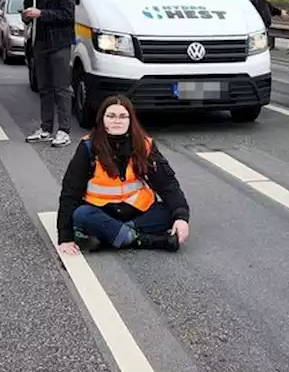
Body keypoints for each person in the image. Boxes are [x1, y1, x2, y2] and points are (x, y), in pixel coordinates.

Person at [56, 95, 189, 254]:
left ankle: (115, 236)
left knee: (170, 212)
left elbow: (167, 184)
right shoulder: (88, 147)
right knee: (81, 215)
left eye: (122, 116)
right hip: (100, 211)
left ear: (130, 120)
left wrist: (181, 218)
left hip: (137, 211)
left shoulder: (145, 145)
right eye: (111, 116)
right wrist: (65, 238)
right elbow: (70, 191)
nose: (117, 121)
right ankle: (144, 240)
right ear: (102, 120)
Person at [22, 0, 77, 147]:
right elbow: (27, 8)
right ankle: (46, 128)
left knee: (61, 87)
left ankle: (64, 130)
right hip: (39, 42)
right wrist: (27, 15)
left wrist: (41, 13)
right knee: (43, 88)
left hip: (59, 43)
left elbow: (68, 14)